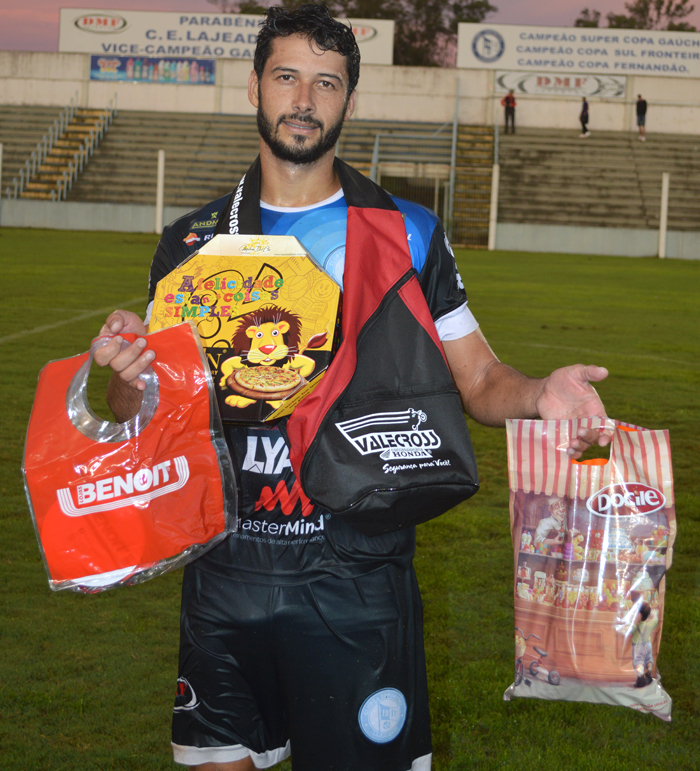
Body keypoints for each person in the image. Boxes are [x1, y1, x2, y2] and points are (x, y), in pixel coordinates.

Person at [95, 6, 610, 769]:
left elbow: (478, 377)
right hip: (225, 574)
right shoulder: (192, 245)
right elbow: (146, 414)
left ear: (349, 101)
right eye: (287, 77)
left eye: (326, 82)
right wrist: (127, 383)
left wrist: (539, 394)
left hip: (357, 574)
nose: (304, 99)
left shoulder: (408, 231)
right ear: (254, 88)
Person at [631, 602, 658, 687]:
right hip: (648, 645)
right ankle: (649, 671)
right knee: (648, 658)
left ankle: (641, 678)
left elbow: (629, 630)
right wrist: (653, 615)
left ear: (638, 615)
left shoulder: (636, 626)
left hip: (638, 647)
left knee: (638, 661)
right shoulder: (649, 625)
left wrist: (636, 620)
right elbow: (655, 620)